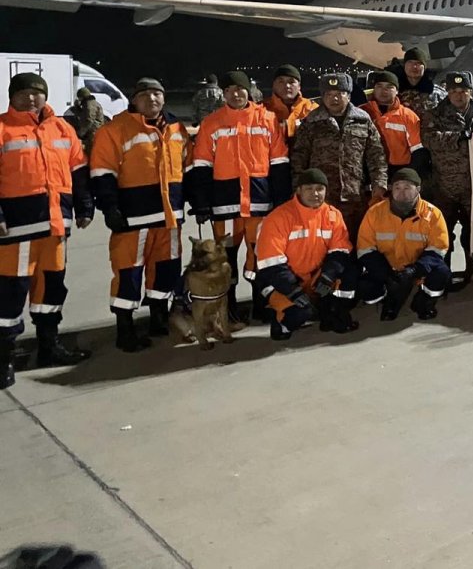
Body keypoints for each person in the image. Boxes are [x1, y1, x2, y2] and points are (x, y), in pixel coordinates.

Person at [0, 73, 94, 386]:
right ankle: (3, 357)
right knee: (10, 295)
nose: (31, 98)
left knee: (51, 290)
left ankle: (49, 347)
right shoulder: (2, 128)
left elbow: (78, 171)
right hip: (16, 231)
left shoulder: (62, 128)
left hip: (55, 228)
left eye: (37, 93)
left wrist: (84, 206)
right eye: (24, 93)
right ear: (12, 96)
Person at [89, 78, 188, 351]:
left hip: (169, 217)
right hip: (133, 218)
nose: (152, 99)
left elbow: (187, 166)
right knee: (128, 273)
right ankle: (125, 329)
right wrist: (110, 207)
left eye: (157, 93)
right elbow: (102, 172)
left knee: (166, 270)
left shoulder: (177, 128)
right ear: (134, 100)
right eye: (144, 95)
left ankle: (159, 318)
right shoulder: (114, 130)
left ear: (163, 98)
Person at [187, 70, 291, 323]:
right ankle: (229, 308)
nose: (236, 94)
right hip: (225, 206)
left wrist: (281, 200)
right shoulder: (211, 123)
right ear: (223, 94)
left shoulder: (268, 120)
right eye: (230, 90)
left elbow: (279, 163)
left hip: (259, 204)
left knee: (261, 258)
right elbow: (201, 166)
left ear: (249, 91)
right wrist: (202, 203)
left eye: (240, 89)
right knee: (225, 260)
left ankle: (261, 304)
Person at [253, 168, 359, 340]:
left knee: (350, 273)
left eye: (319, 188)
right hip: (279, 282)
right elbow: (271, 264)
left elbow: (340, 251)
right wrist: (293, 291)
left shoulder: (333, 215)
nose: (315, 193)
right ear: (299, 190)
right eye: (309, 188)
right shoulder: (278, 217)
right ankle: (281, 323)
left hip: (314, 277)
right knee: (300, 312)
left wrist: (327, 276)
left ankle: (334, 314)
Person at [291, 72, 388, 244]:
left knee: (355, 242)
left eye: (339, 94)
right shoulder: (312, 122)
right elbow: (299, 158)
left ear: (348, 95)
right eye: (328, 94)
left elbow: (376, 155)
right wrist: (298, 189)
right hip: (321, 198)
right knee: (323, 243)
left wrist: (379, 184)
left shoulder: (363, 120)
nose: (334, 99)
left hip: (355, 197)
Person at [422, 70, 473, 287]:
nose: (458, 95)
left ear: (470, 91)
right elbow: (428, 140)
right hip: (444, 185)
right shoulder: (435, 114)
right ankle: (443, 274)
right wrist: (458, 137)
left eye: (463, 91)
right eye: (453, 91)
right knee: (443, 233)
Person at [358, 168, 451, 321]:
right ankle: (387, 301)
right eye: (397, 187)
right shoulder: (375, 213)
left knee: (441, 273)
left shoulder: (433, 214)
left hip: (417, 266)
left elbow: (438, 247)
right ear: (391, 189)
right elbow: (365, 248)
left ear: (418, 189)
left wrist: (415, 270)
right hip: (387, 266)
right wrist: (386, 274)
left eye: (407, 187)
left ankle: (424, 302)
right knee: (365, 286)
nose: (401, 192)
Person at [364, 70, 430, 180]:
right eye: (379, 86)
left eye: (389, 87)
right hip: (367, 171)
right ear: (373, 89)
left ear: (397, 91)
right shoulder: (362, 112)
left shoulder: (408, 116)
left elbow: (418, 151)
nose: (384, 90)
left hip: (398, 173)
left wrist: (406, 177)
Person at [265, 64, 317, 151]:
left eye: (291, 82)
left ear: (299, 86)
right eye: (281, 82)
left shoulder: (312, 108)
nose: (287, 86)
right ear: (273, 85)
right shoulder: (261, 109)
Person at [391, 47, 445, 119]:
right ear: (404, 65)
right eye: (410, 62)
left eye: (419, 63)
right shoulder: (393, 92)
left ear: (424, 67)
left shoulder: (437, 93)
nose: (414, 66)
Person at [67, 87, 107, 154]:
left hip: (93, 133)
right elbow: (83, 115)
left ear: (82, 97)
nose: (79, 99)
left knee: (91, 151)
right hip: (93, 132)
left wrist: (81, 133)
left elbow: (89, 120)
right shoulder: (89, 104)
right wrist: (77, 107)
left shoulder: (89, 105)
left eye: (79, 97)